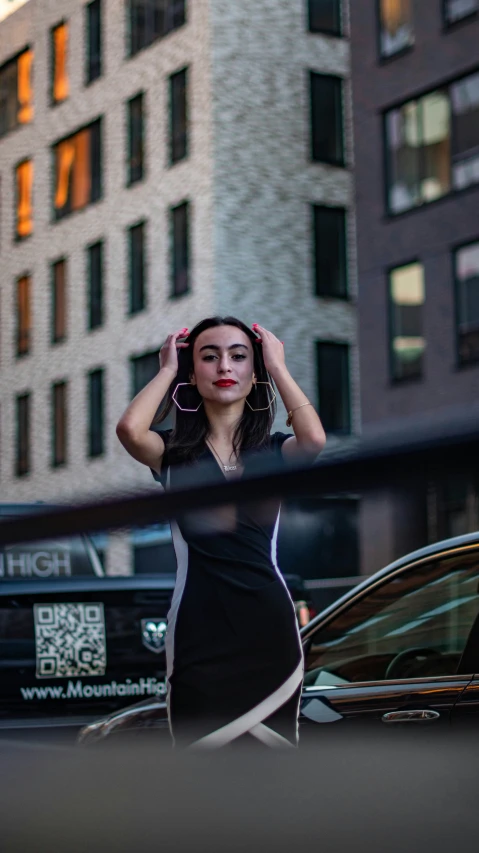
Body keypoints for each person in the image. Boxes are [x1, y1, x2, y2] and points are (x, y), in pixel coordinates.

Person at [116, 317, 326, 748]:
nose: (224, 366)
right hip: (198, 633)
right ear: (194, 372)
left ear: (254, 372)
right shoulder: (172, 454)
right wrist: (167, 370)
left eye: (238, 355)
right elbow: (130, 430)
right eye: (209, 357)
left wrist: (279, 367)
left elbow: (315, 440)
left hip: (269, 632)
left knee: (275, 775)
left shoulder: (275, 452)